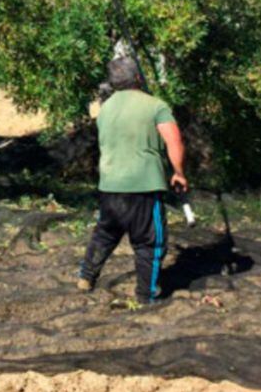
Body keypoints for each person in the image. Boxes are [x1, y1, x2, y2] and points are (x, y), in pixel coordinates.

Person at [77, 57, 188, 305]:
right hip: (145, 186)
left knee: (105, 234)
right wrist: (178, 172)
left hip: (110, 186)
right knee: (150, 243)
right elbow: (174, 141)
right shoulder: (156, 105)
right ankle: (146, 294)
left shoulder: (105, 109)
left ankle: (86, 276)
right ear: (138, 78)